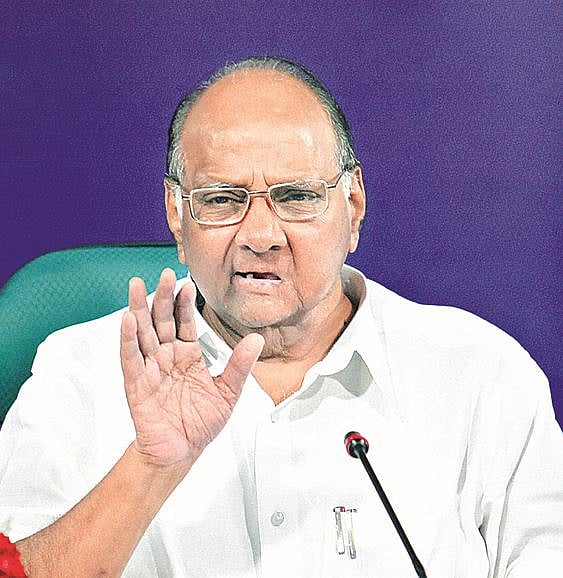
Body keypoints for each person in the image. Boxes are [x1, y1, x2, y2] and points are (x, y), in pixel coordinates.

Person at [0, 56, 561, 577]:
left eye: (296, 197)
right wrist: (149, 467)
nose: (261, 235)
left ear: (353, 205)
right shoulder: (79, 375)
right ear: (176, 214)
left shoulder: (481, 376)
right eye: (222, 199)